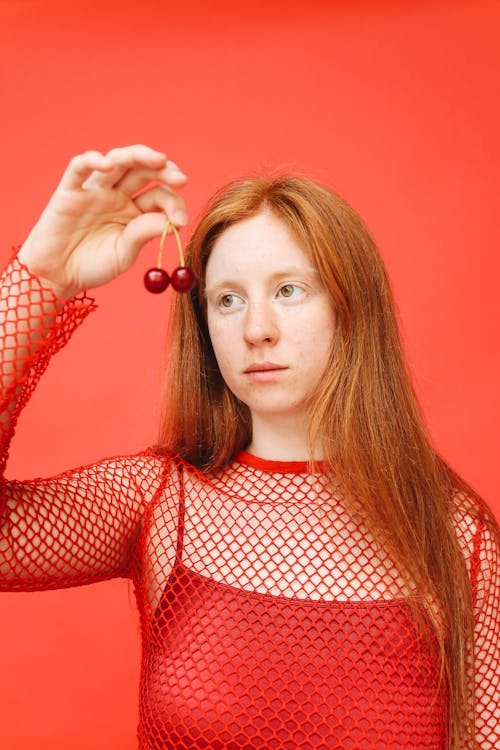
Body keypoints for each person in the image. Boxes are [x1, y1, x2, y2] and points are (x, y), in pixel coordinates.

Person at [0, 144, 498, 750]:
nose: (256, 328)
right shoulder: (159, 500)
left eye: (289, 290)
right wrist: (42, 276)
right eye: (227, 299)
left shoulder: (455, 537)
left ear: (352, 310)